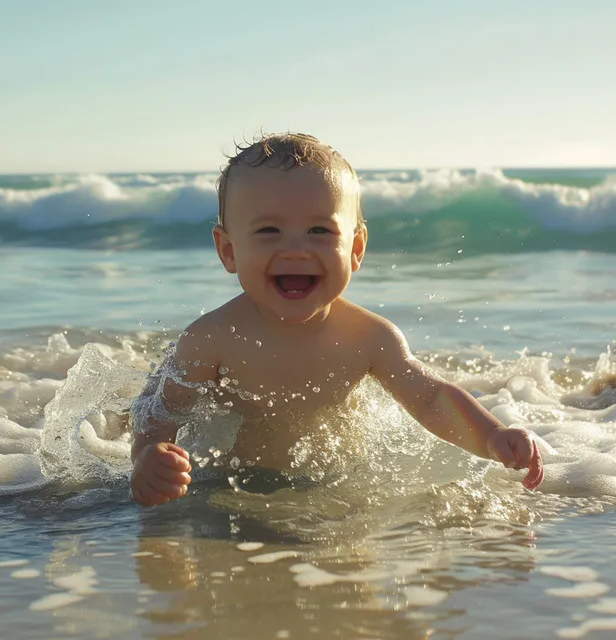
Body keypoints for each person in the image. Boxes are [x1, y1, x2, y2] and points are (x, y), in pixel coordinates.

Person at [130, 132, 543, 507]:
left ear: (356, 248)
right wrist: (148, 460)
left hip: (322, 483)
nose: (295, 249)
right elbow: (160, 415)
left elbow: (431, 398)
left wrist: (492, 437)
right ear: (228, 251)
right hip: (224, 484)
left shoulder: (368, 337)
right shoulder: (212, 338)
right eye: (269, 231)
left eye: (319, 232)